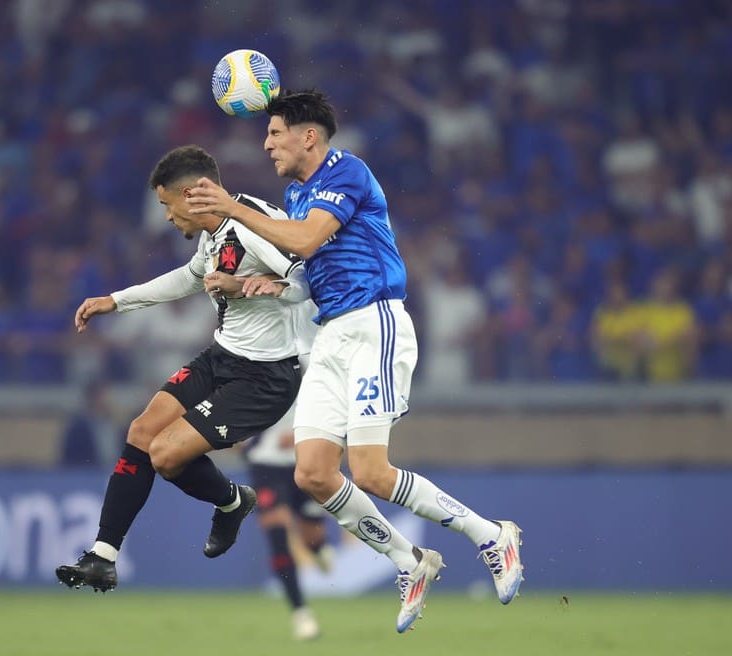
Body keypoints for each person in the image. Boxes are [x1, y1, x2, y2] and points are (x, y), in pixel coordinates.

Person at [187, 90, 524, 632]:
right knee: (314, 473)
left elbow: (308, 238)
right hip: (331, 337)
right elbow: (308, 278)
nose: (266, 143)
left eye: (274, 133)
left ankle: (491, 535)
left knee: (370, 472)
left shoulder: (347, 173)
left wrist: (234, 207)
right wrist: (264, 285)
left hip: (375, 324)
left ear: (309, 137)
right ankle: (410, 562)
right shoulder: (298, 196)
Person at [55, 145, 309, 592]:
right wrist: (116, 301)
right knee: (141, 431)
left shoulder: (252, 222)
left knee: (166, 454)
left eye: (167, 206)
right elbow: (189, 278)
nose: (168, 218)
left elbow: (308, 281)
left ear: (191, 194)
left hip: (264, 378)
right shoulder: (214, 233)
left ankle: (232, 502)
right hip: (221, 357)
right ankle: (103, 556)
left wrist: (250, 287)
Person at [241, 298, 332, 641]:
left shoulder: (311, 356)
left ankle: (318, 549)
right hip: (265, 465)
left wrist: (301, 434)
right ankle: (301, 613)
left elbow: (331, 403)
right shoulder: (246, 358)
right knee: (278, 535)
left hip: (304, 458)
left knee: (312, 537)